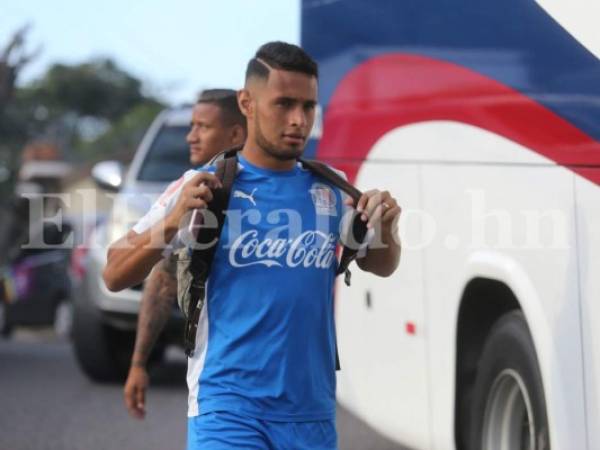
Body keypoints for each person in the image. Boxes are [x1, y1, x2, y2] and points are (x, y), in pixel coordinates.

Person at [104, 41, 401, 450]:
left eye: (308, 107)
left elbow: (381, 264)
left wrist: (388, 227)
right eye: (284, 104)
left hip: (310, 411)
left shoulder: (332, 188)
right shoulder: (205, 185)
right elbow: (114, 272)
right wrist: (173, 222)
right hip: (226, 406)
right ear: (247, 102)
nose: (299, 120)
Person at [123, 88, 246, 420]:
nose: (191, 137)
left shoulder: (298, 184)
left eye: (202, 127)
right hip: (219, 390)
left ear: (236, 132)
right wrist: (138, 363)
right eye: (191, 126)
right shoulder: (191, 188)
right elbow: (161, 279)